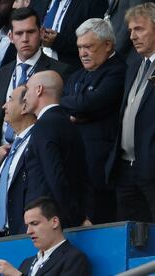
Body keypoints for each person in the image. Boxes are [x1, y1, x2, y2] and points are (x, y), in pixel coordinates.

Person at [0, 7, 71, 170]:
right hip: (1, 164)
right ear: (11, 37)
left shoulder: (60, 72)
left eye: (30, 32)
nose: (25, 39)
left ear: (41, 32)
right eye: (19, 33)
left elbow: (62, 124)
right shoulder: (0, 75)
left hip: (39, 164)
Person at [60, 18, 126, 224]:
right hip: (75, 168)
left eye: (88, 46)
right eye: (79, 47)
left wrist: (75, 106)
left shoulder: (118, 70)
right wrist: (73, 105)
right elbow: (67, 105)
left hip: (101, 172)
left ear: (108, 45)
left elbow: (87, 104)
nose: (82, 53)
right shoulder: (76, 75)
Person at [106, 2, 155, 223]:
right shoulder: (134, 64)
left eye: (140, 29)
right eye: (131, 30)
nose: (133, 36)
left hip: (151, 169)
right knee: (132, 240)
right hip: (126, 167)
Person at [23, 70, 89, 227]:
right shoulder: (68, 124)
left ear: (39, 90)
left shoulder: (44, 125)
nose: (24, 97)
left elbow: (55, 176)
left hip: (49, 220)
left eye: (27, 90)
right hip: (66, 217)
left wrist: (77, 218)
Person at [0, 197, 91, 276]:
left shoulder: (74, 258)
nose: (28, 231)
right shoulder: (26, 263)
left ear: (54, 222)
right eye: (27, 225)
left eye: (34, 223)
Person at [0, 86, 36, 237]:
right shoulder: (13, 146)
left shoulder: (36, 142)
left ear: (25, 106)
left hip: (24, 236)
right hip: (0, 236)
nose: (4, 106)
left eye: (10, 100)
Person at [29, 0, 107, 68]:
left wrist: (57, 41)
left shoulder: (93, 2)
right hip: (34, 63)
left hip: (67, 69)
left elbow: (94, 41)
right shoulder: (37, 1)